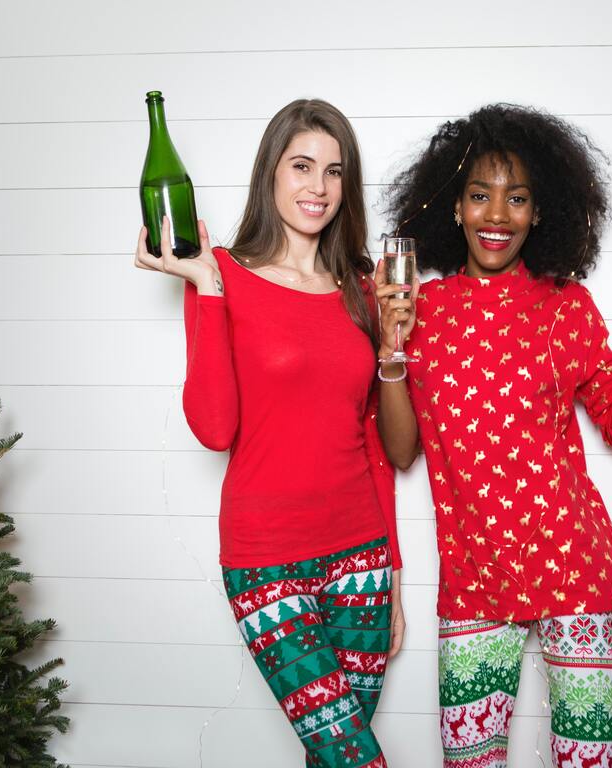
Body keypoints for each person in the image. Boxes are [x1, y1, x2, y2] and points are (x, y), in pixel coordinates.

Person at [373, 104, 612, 768]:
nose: (498, 214)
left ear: (539, 211)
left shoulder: (564, 306)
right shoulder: (421, 313)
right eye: (480, 195)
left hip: (574, 568)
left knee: (588, 760)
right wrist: (391, 348)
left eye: (517, 198)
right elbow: (402, 452)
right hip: (473, 575)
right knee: (469, 761)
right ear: (455, 209)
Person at [134, 98, 403, 768]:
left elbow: (376, 447)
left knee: (332, 760)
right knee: (357, 760)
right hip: (266, 558)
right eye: (302, 166)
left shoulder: (362, 288)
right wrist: (205, 286)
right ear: (271, 175)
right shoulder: (222, 272)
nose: (317, 186)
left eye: (334, 172)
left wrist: (393, 574)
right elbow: (215, 427)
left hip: (362, 556)